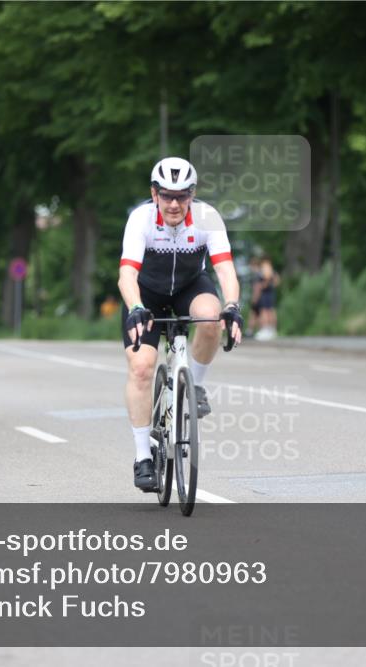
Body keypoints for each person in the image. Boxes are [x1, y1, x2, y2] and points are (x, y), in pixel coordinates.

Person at [118, 157, 243, 491]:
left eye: (182, 196)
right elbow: (127, 273)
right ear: (154, 193)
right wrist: (135, 307)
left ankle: (195, 386)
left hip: (190, 285)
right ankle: (143, 456)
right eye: (166, 195)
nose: (174, 203)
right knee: (142, 366)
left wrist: (232, 306)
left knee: (210, 316)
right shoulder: (141, 219)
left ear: (193, 195)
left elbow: (225, 270)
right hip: (146, 293)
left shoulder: (207, 218)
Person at [253, 258, 279, 341]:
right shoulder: (272, 271)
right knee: (270, 311)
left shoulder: (264, 268)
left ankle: (265, 329)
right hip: (270, 293)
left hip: (264, 293)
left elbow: (265, 280)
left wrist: (263, 285)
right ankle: (272, 330)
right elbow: (277, 281)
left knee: (264, 311)